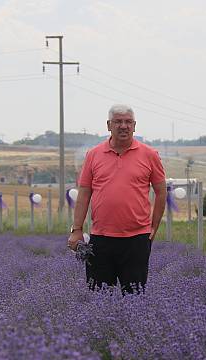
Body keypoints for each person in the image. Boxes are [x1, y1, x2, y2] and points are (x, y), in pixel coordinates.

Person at [67, 104, 167, 293]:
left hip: (136, 239)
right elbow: (84, 194)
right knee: (99, 297)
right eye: (118, 122)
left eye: (128, 122)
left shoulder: (150, 155)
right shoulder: (93, 155)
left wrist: (153, 227)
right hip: (100, 239)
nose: (123, 126)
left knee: (135, 297)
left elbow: (161, 192)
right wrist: (77, 229)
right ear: (108, 125)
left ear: (135, 126)